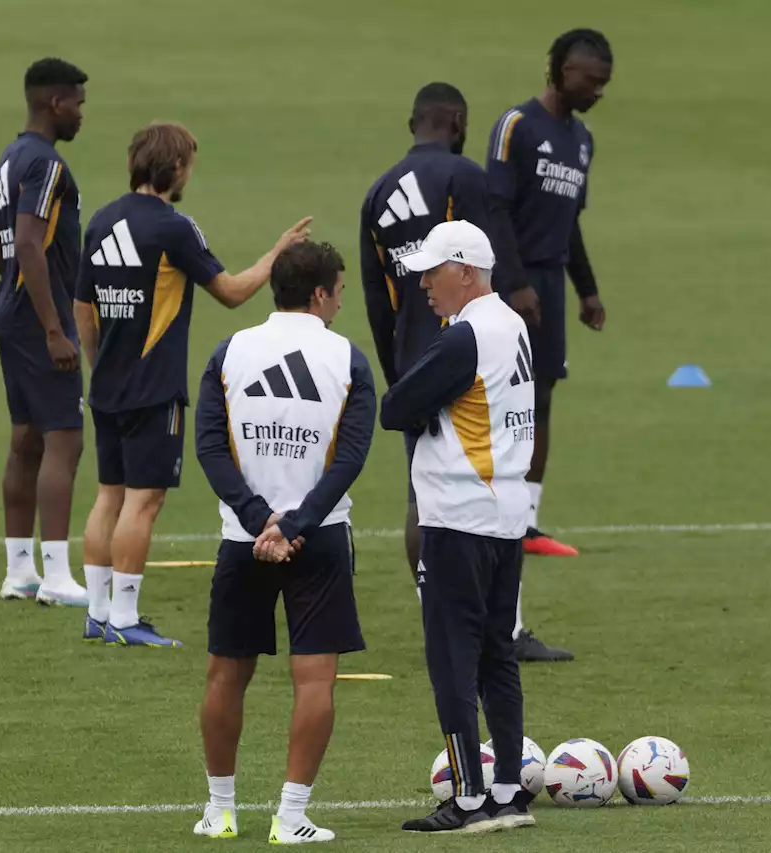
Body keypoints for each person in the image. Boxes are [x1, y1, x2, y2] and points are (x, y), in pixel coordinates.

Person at [75, 122, 312, 647]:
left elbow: (82, 307)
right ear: (175, 167)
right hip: (153, 388)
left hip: (108, 385)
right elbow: (229, 292)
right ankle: (126, 618)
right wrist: (276, 254)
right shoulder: (173, 228)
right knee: (145, 499)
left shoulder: (101, 221)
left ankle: (97, 613)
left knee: (108, 495)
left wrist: (99, 364)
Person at [192, 240, 374, 843]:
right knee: (315, 680)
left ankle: (219, 813)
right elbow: (350, 457)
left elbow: (211, 447)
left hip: (241, 540)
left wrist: (255, 519)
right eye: (339, 292)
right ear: (320, 293)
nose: (340, 303)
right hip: (318, 540)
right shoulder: (347, 359)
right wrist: (294, 525)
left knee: (224, 676)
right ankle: (290, 818)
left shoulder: (231, 351)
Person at [378, 221, 535, 834]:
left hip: (458, 519)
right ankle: (508, 795)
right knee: (499, 654)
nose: (422, 283)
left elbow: (395, 408)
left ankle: (467, 801)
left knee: (452, 659)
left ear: (465, 270)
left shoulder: (465, 337)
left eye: (433, 270)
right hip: (506, 517)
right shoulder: (513, 324)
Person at [484, 29, 612, 662]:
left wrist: (585, 290)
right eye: (588, 78)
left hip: (550, 287)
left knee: (543, 398)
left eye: (602, 82)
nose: (595, 90)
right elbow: (495, 209)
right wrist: (512, 284)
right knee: (508, 401)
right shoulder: (517, 126)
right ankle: (499, 513)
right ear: (559, 70)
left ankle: (526, 520)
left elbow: (572, 224)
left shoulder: (582, 141)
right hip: (515, 283)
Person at [360, 81, 492, 591]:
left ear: (412, 124)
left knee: (423, 493)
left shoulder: (377, 193)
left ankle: (429, 604)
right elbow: (487, 266)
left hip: (412, 360)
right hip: (472, 357)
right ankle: (496, 621)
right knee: (488, 487)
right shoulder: (465, 176)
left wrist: (398, 372)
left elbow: (377, 298)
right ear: (457, 123)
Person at [0, 58, 90, 607]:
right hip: (37, 317)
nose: (81, 114)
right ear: (55, 103)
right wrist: (55, 327)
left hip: (8, 307)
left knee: (26, 440)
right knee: (64, 439)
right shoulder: (47, 165)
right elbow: (29, 243)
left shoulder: (9, 158)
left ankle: (19, 570)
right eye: (77, 103)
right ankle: (55, 576)